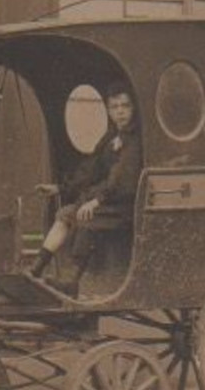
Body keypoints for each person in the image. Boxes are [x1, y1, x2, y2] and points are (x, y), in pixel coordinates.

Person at [29, 81, 142, 298]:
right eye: (115, 107)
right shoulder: (111, 137)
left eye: (125, 106)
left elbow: (122, 179)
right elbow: (91, 169)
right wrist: (60, 188)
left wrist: (97, 201)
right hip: (108, 202)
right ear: (109, 111)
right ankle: (36, 269)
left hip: (125, 205)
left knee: (85, 219)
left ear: (132, 109)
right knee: (64, 215)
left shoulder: (134, 139)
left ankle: (71, 281)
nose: (120, 112)